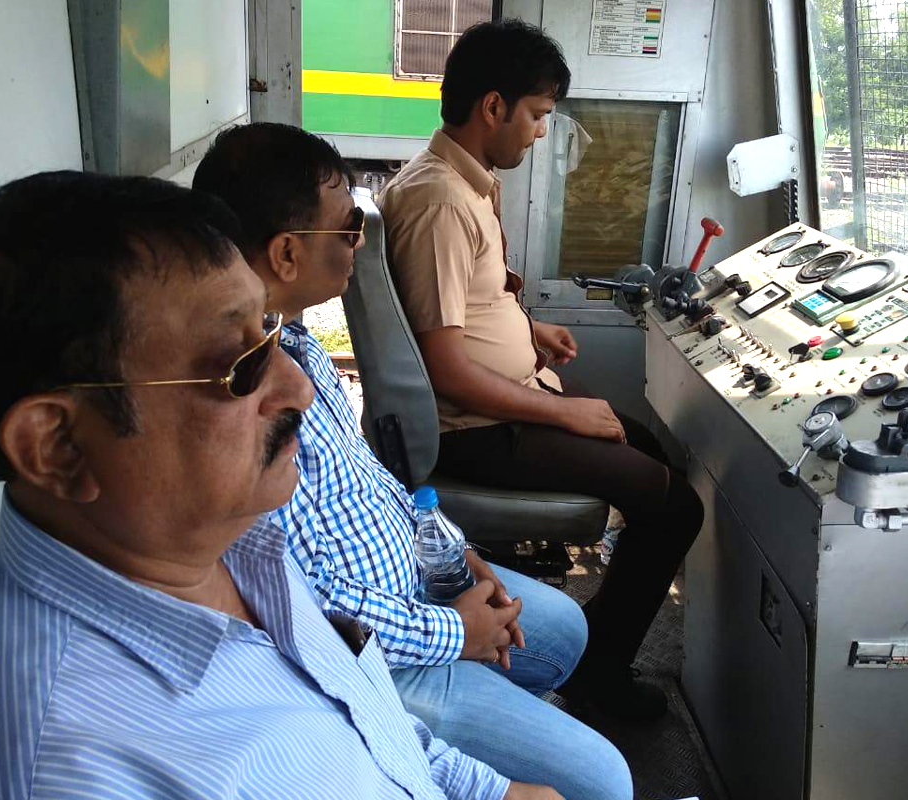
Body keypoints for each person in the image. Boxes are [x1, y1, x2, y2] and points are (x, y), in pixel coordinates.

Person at [0, 171, 561, 800]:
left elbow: (362, 723)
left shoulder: (225, 536)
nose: (296, 390)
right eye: (239, 365)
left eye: (269, 331)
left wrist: (493, 791)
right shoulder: (63, 770)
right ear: (57, 446)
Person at [193, 123, 633, 800]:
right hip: (374, 653)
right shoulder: (244, 403)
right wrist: (457, 632)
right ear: (285, 252)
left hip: (420, 585)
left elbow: (371, 480)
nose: (359, 243)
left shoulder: (299, 349)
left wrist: (457, 555)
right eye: (348, 229)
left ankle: (500, 721)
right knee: (604, 782)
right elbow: (315, 606)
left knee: (563, 632)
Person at [380, 20, 705, 720]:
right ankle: (598, 677)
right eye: (536, 115)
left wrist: (529, 331)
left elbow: (466, 304)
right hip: (474, 426)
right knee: (677, 506)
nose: (539, 132)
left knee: (651, 450)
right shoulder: (440, 202)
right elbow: (446, 370)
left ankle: (597, 646)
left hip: (512, 393)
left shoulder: (466, 182)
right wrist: (566, 413)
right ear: (493, 107)